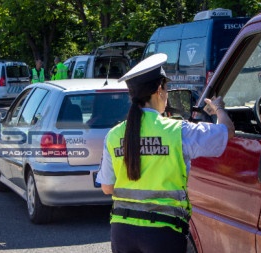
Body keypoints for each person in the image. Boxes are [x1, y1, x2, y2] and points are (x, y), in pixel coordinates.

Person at [96, 53, 235, 253]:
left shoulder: (114, 135)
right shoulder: (178, 131)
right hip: (163, 232)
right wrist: (219, 109)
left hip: (122, 231)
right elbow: (227, 132)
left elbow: (108, 188)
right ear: (159, 89)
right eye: (166, 88)